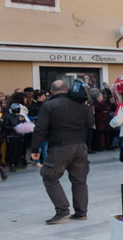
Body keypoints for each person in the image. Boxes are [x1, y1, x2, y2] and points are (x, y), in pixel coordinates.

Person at [30, 80, 93, 224]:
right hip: (80, 146)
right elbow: (90, 124)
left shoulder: (48, 105)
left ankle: (62, 210)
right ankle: (81, 212)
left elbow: (40, 128)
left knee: (49, 176)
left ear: (51, 91)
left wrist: (35, 149)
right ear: (67, 89)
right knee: (80, 181)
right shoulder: (82, 104)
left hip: (60, 147)